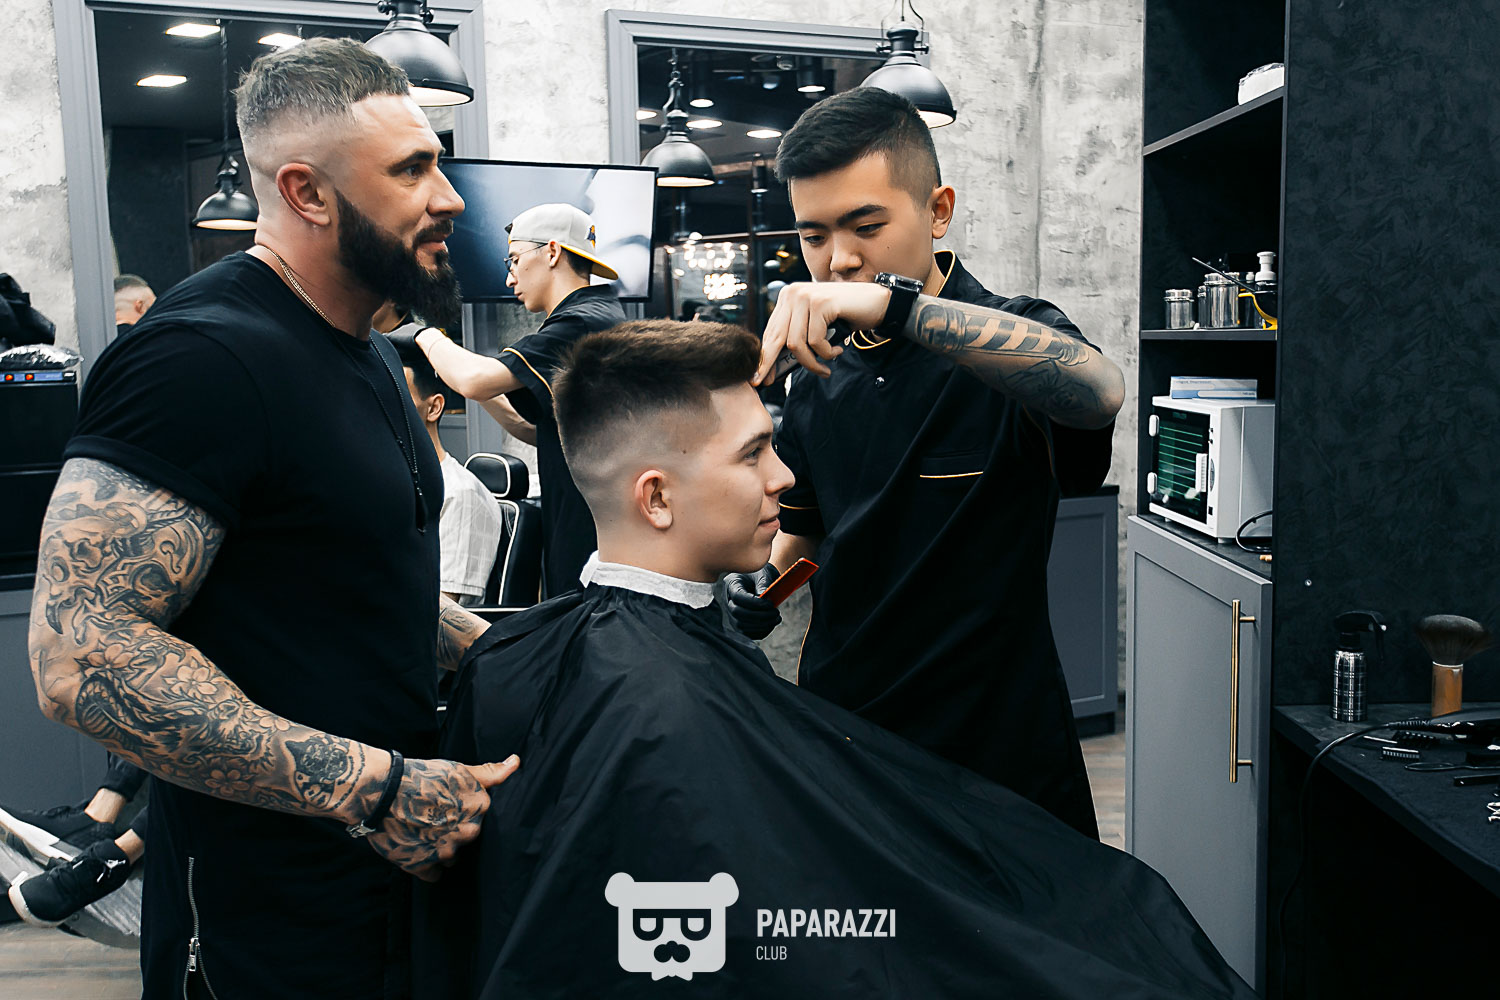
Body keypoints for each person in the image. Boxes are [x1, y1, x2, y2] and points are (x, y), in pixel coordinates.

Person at [417, 320, 1250, 999]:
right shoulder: (662, 713)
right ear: (657, 496)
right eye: (753, 454)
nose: (785, 477)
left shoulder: (523, 658)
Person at [26, 38, 517, 998]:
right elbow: (82, 658)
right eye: (412, 170)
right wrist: (376, 789)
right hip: (259, 920)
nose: (449, 198)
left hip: (382, 890)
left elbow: (342, 580)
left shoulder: (369, 353)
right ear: (306, 192)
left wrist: (517, 650)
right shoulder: (200, 357)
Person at [722, 88, 1126, 840]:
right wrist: (765, 587)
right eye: (813, 236)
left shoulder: (1016, 336)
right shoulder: (818, 374)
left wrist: (897, 308)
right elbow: (811, 534)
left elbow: (1100, 391)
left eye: (866, 226)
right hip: (850, 723)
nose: (840, 259)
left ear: (938, 211)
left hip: (995, 739)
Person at [412, 202, 626, 597]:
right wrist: (479, 384)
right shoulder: (595, 314)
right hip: (583, 530)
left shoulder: (581, 322)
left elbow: (474, 380)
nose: (509, 277)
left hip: (597, 537)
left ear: (552, 252)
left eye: (514, 260)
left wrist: (422, 334)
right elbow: (533, 429)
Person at [391, 335, 505, 606]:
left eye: (398, 398)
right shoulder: (391, 486)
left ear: (434, 408)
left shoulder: (460, 495)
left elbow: (444, 609)